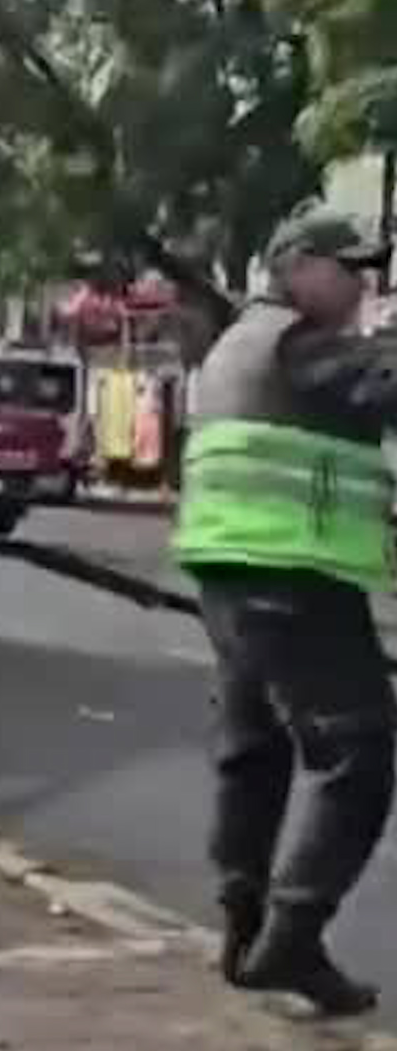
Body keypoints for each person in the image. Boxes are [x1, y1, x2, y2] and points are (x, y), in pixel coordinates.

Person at [173, 212, 397, 1015]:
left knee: (253, 747)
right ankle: (292, 937)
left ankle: (245, 926)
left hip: (232, 572)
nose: (363, 284)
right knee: (359, 754)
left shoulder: (242, 342)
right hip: (291, 573)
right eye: (351, 267)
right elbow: (382, 381)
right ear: (296, 265)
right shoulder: (300, 344)